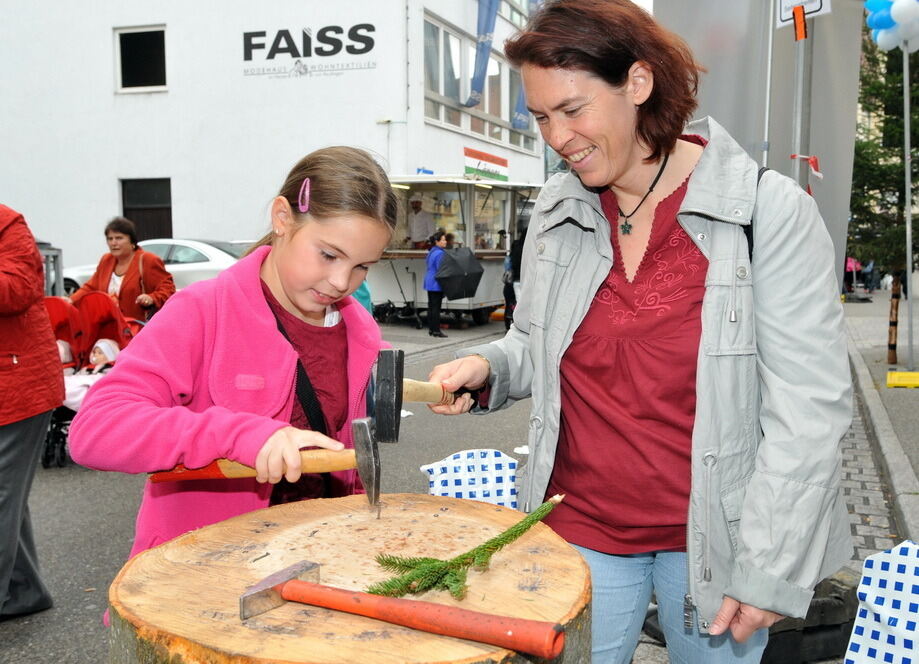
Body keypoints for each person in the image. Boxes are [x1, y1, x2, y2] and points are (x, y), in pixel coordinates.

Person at [426, 2, 853, 662]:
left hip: (716, 542)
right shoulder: (554, 211)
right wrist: (490, 370)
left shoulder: (766, 213)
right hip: (579, 525)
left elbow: (809, 411)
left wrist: (773, 567)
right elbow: (533, 343)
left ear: (638, 83)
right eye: (540, 117)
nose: (555, 136)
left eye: (571, 110)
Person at [69, 146, 398, 567]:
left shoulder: (358, 330)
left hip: (322, 564)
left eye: (362, 267)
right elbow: (96, 430)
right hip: (208, 576)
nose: (340, 282)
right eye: (329, 255)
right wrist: (240, 436)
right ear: (282, 219)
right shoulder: (203, 311)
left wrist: (449, 384)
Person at [0, 204, 64, 620]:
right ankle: (23, 592)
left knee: (2, 495)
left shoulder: (7, 222)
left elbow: (20, 287)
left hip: (19, 385)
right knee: (8, 498)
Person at [68, 217, 175, 322]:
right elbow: (90, 287)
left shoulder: (148, 260)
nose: (113, 243)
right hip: (110, 326)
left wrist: (152, 298)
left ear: (132, 241)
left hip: (138, 328)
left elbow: (168, 289)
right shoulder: (106, 260)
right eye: (110, 239)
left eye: (119, 238)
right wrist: (70, 300)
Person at [62, 339, 120, 412]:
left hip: (95, 392)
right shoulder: (88, 368)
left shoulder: (111, 369)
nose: (96, 355)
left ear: (110, 355)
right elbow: (76, 378)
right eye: (94, 352)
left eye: (100, 353)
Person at [424, 231, 449, 338]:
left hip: (429, 281)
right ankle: (436, 331)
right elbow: (441, 269)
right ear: (437, 241)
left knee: (431, 307)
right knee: (436, 308)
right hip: (436, 283)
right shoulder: (441, 253)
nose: (445, 241)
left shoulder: (432, 251)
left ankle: (431, 329)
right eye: (443, 240)